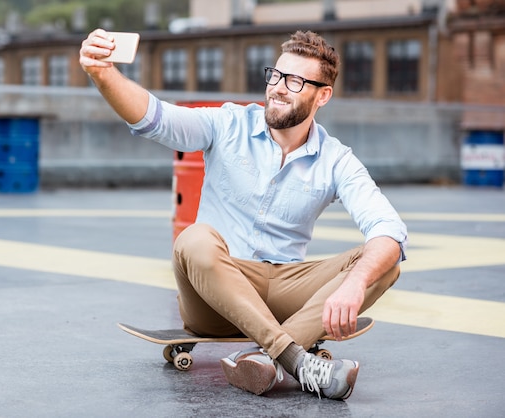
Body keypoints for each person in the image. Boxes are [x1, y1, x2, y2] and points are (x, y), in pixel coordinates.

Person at [79, 28, 407, 400]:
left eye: (296, 81)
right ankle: (294, 359)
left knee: (383, 261)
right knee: (194, 238)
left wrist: (354, 283)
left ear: (323, 95)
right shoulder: (227, 124)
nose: (278, 88)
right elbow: (157, 119)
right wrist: (103, 74)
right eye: (276, 75)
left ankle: (261, 358)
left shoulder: (336, 159)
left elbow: (388, 228)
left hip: (283, 289)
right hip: (213, 295)